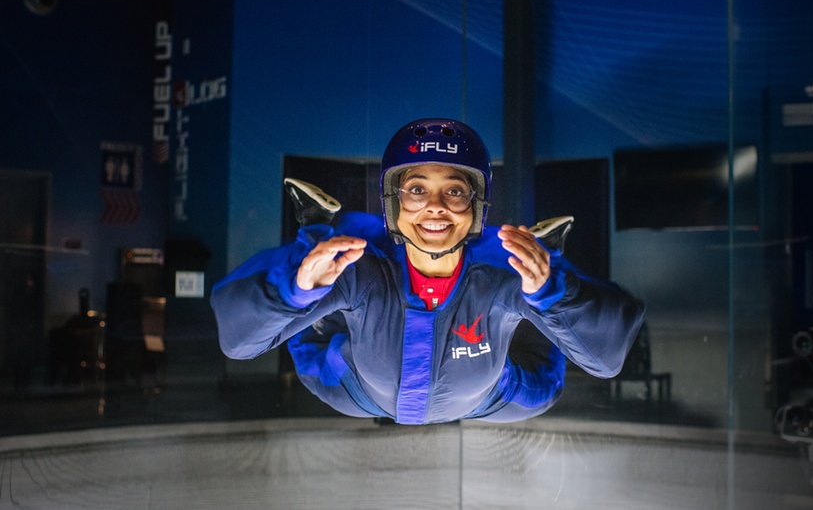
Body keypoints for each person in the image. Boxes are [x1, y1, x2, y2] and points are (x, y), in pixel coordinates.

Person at [211, 117, 644, 424]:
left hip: (484, 397)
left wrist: (552, 291)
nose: (435, 206)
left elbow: (605, 359)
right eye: (416, 189)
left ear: (475, 206)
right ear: (394, 203)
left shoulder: (503, 266)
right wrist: (297, 288)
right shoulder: (360, 263)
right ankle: (314, 234)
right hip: (359, 390)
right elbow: (240, 343)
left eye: (454, 191)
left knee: (544, 387)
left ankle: (546, 256)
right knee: (310, 346)